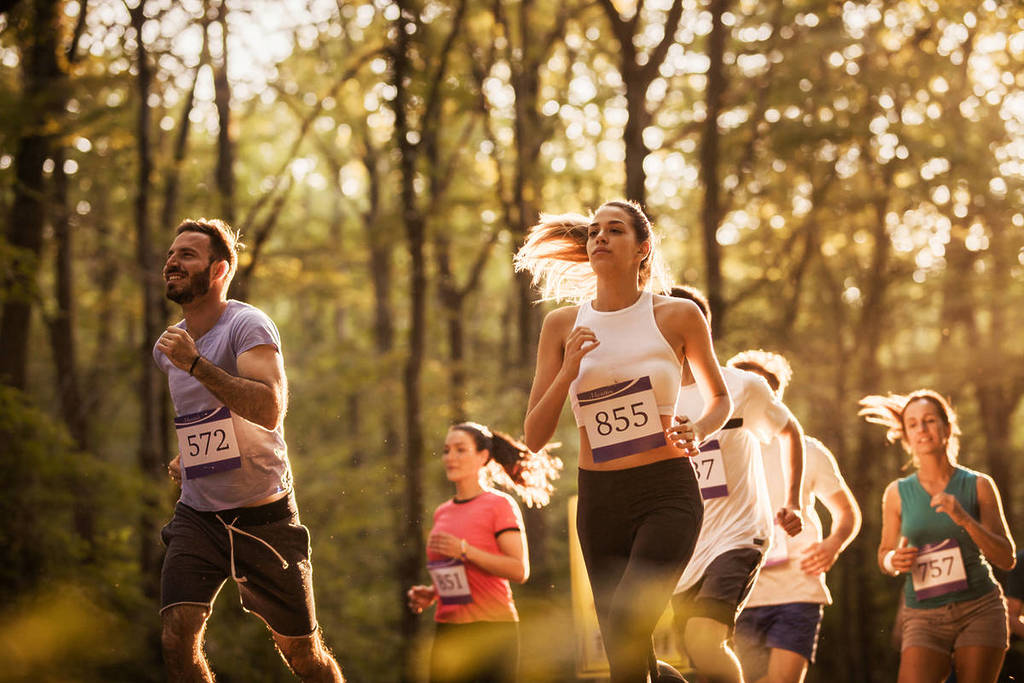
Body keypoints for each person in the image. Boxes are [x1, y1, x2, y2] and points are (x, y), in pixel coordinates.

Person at [514, 201, 733, 683]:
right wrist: (568, 370)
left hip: (666, 491)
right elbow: (534, 436)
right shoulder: (560, 326)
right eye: (593, 232)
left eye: (614, 230)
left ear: (642, 248)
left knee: (629, 625)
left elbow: (719, 399)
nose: (600, 239)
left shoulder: (678, 315)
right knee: (621, 652)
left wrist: (698, 427)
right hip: (600, 499)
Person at [154, 218, 344, 682]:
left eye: (187, 255)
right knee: (177, 635)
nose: (172, 262)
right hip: (198, 515)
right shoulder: (169, 347)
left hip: (264, 516)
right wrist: (191, 458)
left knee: (302, 653)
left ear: (218, 271)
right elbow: (207, 419)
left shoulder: (247, 325)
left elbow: (269, 409)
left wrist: (196, 363)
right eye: (172, 254)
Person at [666, 286, 805, 683]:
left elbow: (789, 431)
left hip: (739, 536)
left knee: (705, 642)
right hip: (685, 547)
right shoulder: (654, 394)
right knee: (698, 656)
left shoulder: (741, 386)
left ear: (700, 328)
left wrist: (793, 501)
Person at [862, 390, 1015, 683]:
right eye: (913, 424)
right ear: (906, 436)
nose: (922, 429)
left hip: (979, 607)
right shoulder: (896, 493)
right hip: (923, 615)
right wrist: (895, 559)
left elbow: (1006, 558)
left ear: (947, 427)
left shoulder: (979, 485)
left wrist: (964, 519)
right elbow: (884, 556)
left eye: (930, 420)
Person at [728, 350, 861, 683]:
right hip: (737, 591)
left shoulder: (809, 450)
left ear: (772, 398)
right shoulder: (716, 449)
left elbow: (847, 511)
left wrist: (833, 545)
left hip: (797, 591)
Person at [406, 422, 561, 683]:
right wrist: (433, 592)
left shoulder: (499, 506)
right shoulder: (442, 511)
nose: (450, 457)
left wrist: (465, 550)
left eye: (460, 450)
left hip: (492, 632)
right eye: (446, 450)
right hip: (448, 630)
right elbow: (460, 571)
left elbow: (519, 570)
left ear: (483, 457)